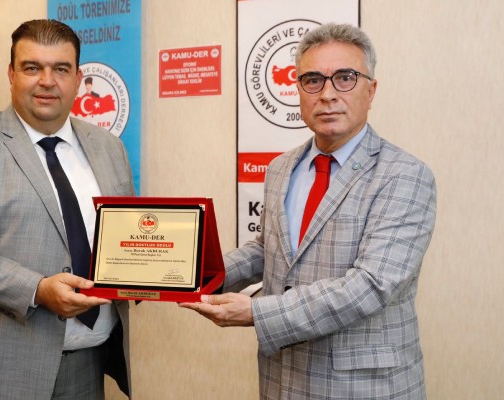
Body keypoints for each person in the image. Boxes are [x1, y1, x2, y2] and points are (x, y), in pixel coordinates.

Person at [181, 23, 437, 399]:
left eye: (345, 78)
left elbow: (370, 285)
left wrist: (257, 313)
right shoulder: (281, 168)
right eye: (313, 80)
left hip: (362, 386)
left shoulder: (405, 175)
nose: (328, 94)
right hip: (282, 378)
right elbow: (267, 250)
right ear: (299, 90)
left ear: (371, 90)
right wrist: (194, 273)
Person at [0, 19, 134, 399]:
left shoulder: (109, 147)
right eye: (32, 67)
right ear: (11, 74)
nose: (47, 81)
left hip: (88, 366)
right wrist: (37, 289)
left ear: (78, 79)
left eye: (61, 69)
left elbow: (126, 237)